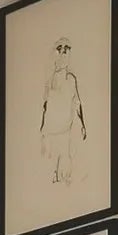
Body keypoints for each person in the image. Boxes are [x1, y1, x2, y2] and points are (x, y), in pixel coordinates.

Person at [41, 37, 85, 186]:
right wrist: (42, 128)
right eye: (59, 49)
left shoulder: (71, 79)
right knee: (51, 166)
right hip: (51, 130)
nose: (63, 53)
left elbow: (77, 102)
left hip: (65, 129)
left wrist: (83, 125)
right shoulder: (50, 81)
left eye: (66, 50)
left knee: (65, 162)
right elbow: (45, 105)